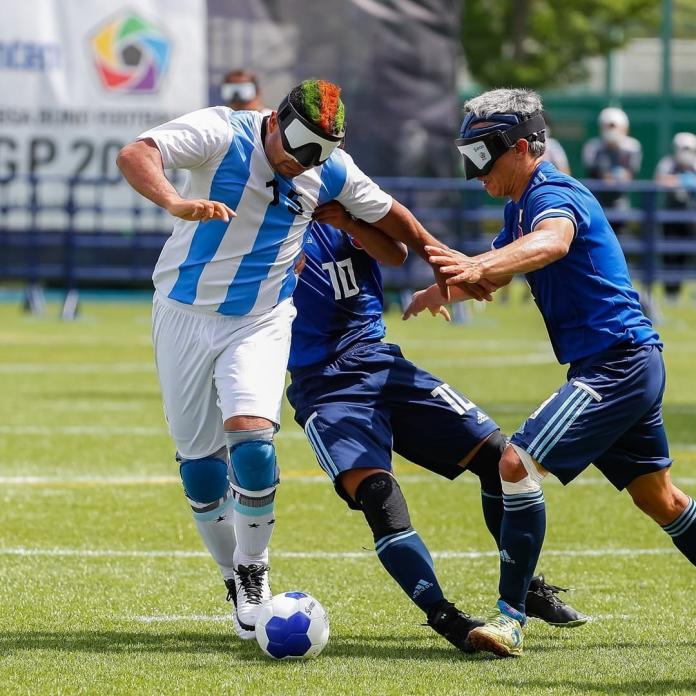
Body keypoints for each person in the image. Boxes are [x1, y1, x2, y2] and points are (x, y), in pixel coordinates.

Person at [116, 78, 453, 640]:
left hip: (261, 319)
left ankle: (254, 570)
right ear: (275, 119)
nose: (302, 162)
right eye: (297, 146)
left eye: (318, 153)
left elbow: (395, 218)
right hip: (181, 312)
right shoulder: (223, 131)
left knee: (251, 440)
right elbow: (137, 153)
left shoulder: (331, 168)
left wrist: (445, 263)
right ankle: (231, 575)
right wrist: (175, 201)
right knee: (201, 468)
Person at [405, 88, 695, 657]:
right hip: (619, 362)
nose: (475, 171)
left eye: (481, 155)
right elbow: (497, 273)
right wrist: (442, 287)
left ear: (519, 147)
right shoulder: (518, 207)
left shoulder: (554, 191)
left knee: (514, 461)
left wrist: (479, 263)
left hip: (619, 363)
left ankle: (510, 617)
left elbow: (553, 241)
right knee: (661, 499)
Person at [287, 201, 587, 652]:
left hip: (381, 360)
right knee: (378, 498)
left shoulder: (341, 194)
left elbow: (394, 254)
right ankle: (445, 617)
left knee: (496, 455)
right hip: (325, 387)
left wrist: (348, 221)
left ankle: (524, 585)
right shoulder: (264, 223)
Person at [654, 132, 696, 301]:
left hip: (690, 216)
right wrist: (681, 180)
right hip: (670, 215)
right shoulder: (668, 163)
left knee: (687, 254)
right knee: (670, 254)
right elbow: (660, 179)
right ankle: (670, 293)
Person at [582, 107, 642, 212]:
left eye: (614, 127)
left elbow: (629, 175)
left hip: (620, 200)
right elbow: (594, 172)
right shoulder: (592, 147)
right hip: (596, 199)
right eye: (608, 127)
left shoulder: (632, 147)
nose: (611, 131)